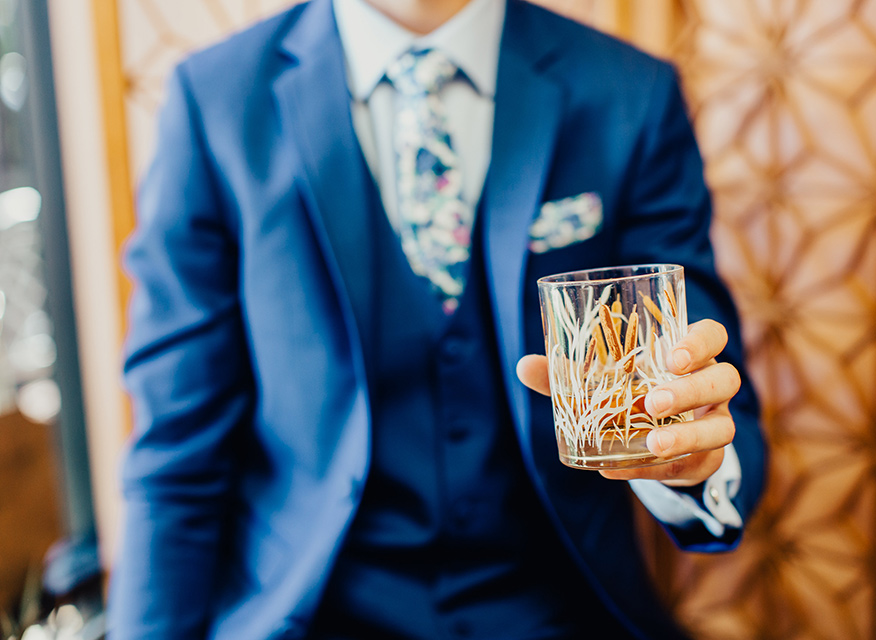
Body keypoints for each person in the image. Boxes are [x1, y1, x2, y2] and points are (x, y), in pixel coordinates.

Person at [109, 0, 766, 637]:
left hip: (560, 609)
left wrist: (691, 454)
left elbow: (708, 385)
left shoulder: (630, 92)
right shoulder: (216, 100)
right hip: (312, 613)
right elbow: (178, 442)